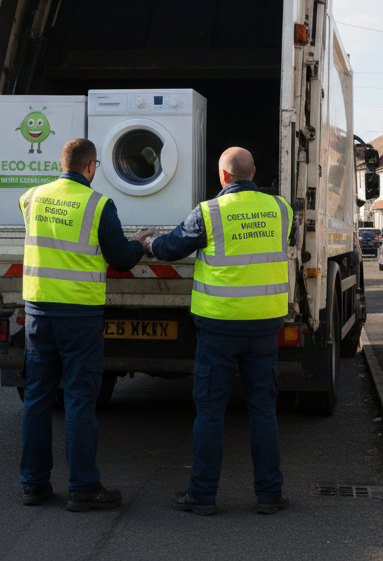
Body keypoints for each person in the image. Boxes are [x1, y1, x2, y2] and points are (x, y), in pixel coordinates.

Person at [144, 147, 293, 516]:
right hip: (264, 325)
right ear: (253, 172)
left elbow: (171, 248)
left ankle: (203, 495)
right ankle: (269, 495)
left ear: (223, 176)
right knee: (262, 411)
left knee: (210, 411)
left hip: (220, 327)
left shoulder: (210, 212)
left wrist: (147, 242)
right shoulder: (281, 209)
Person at [18, 138, 152, 511]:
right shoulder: (98, 205)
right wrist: (139, 243)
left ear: (62, 163)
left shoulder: (32, 198)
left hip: (38, 312)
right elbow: (121, 259)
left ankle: (33, 485)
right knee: (79, 400)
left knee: (37, 399)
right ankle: (83, 488)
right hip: (79, 315)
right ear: (91, 166)